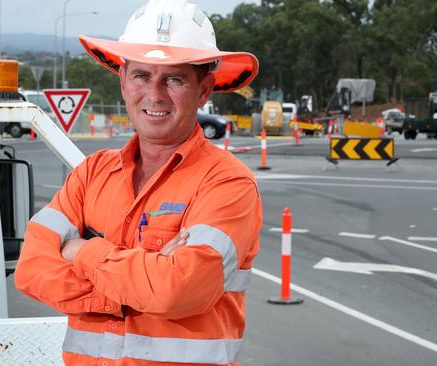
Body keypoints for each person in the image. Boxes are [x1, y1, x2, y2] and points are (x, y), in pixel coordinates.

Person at [14, 1, 261, 365]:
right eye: (141, 75)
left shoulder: (228, 183)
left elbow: (177, 291)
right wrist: (143, 280)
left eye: (174, 79)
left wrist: (82, 252)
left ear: (204, 88)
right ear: (123, 80)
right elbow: (32, 269)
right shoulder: (91, 173)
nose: (155, 94)